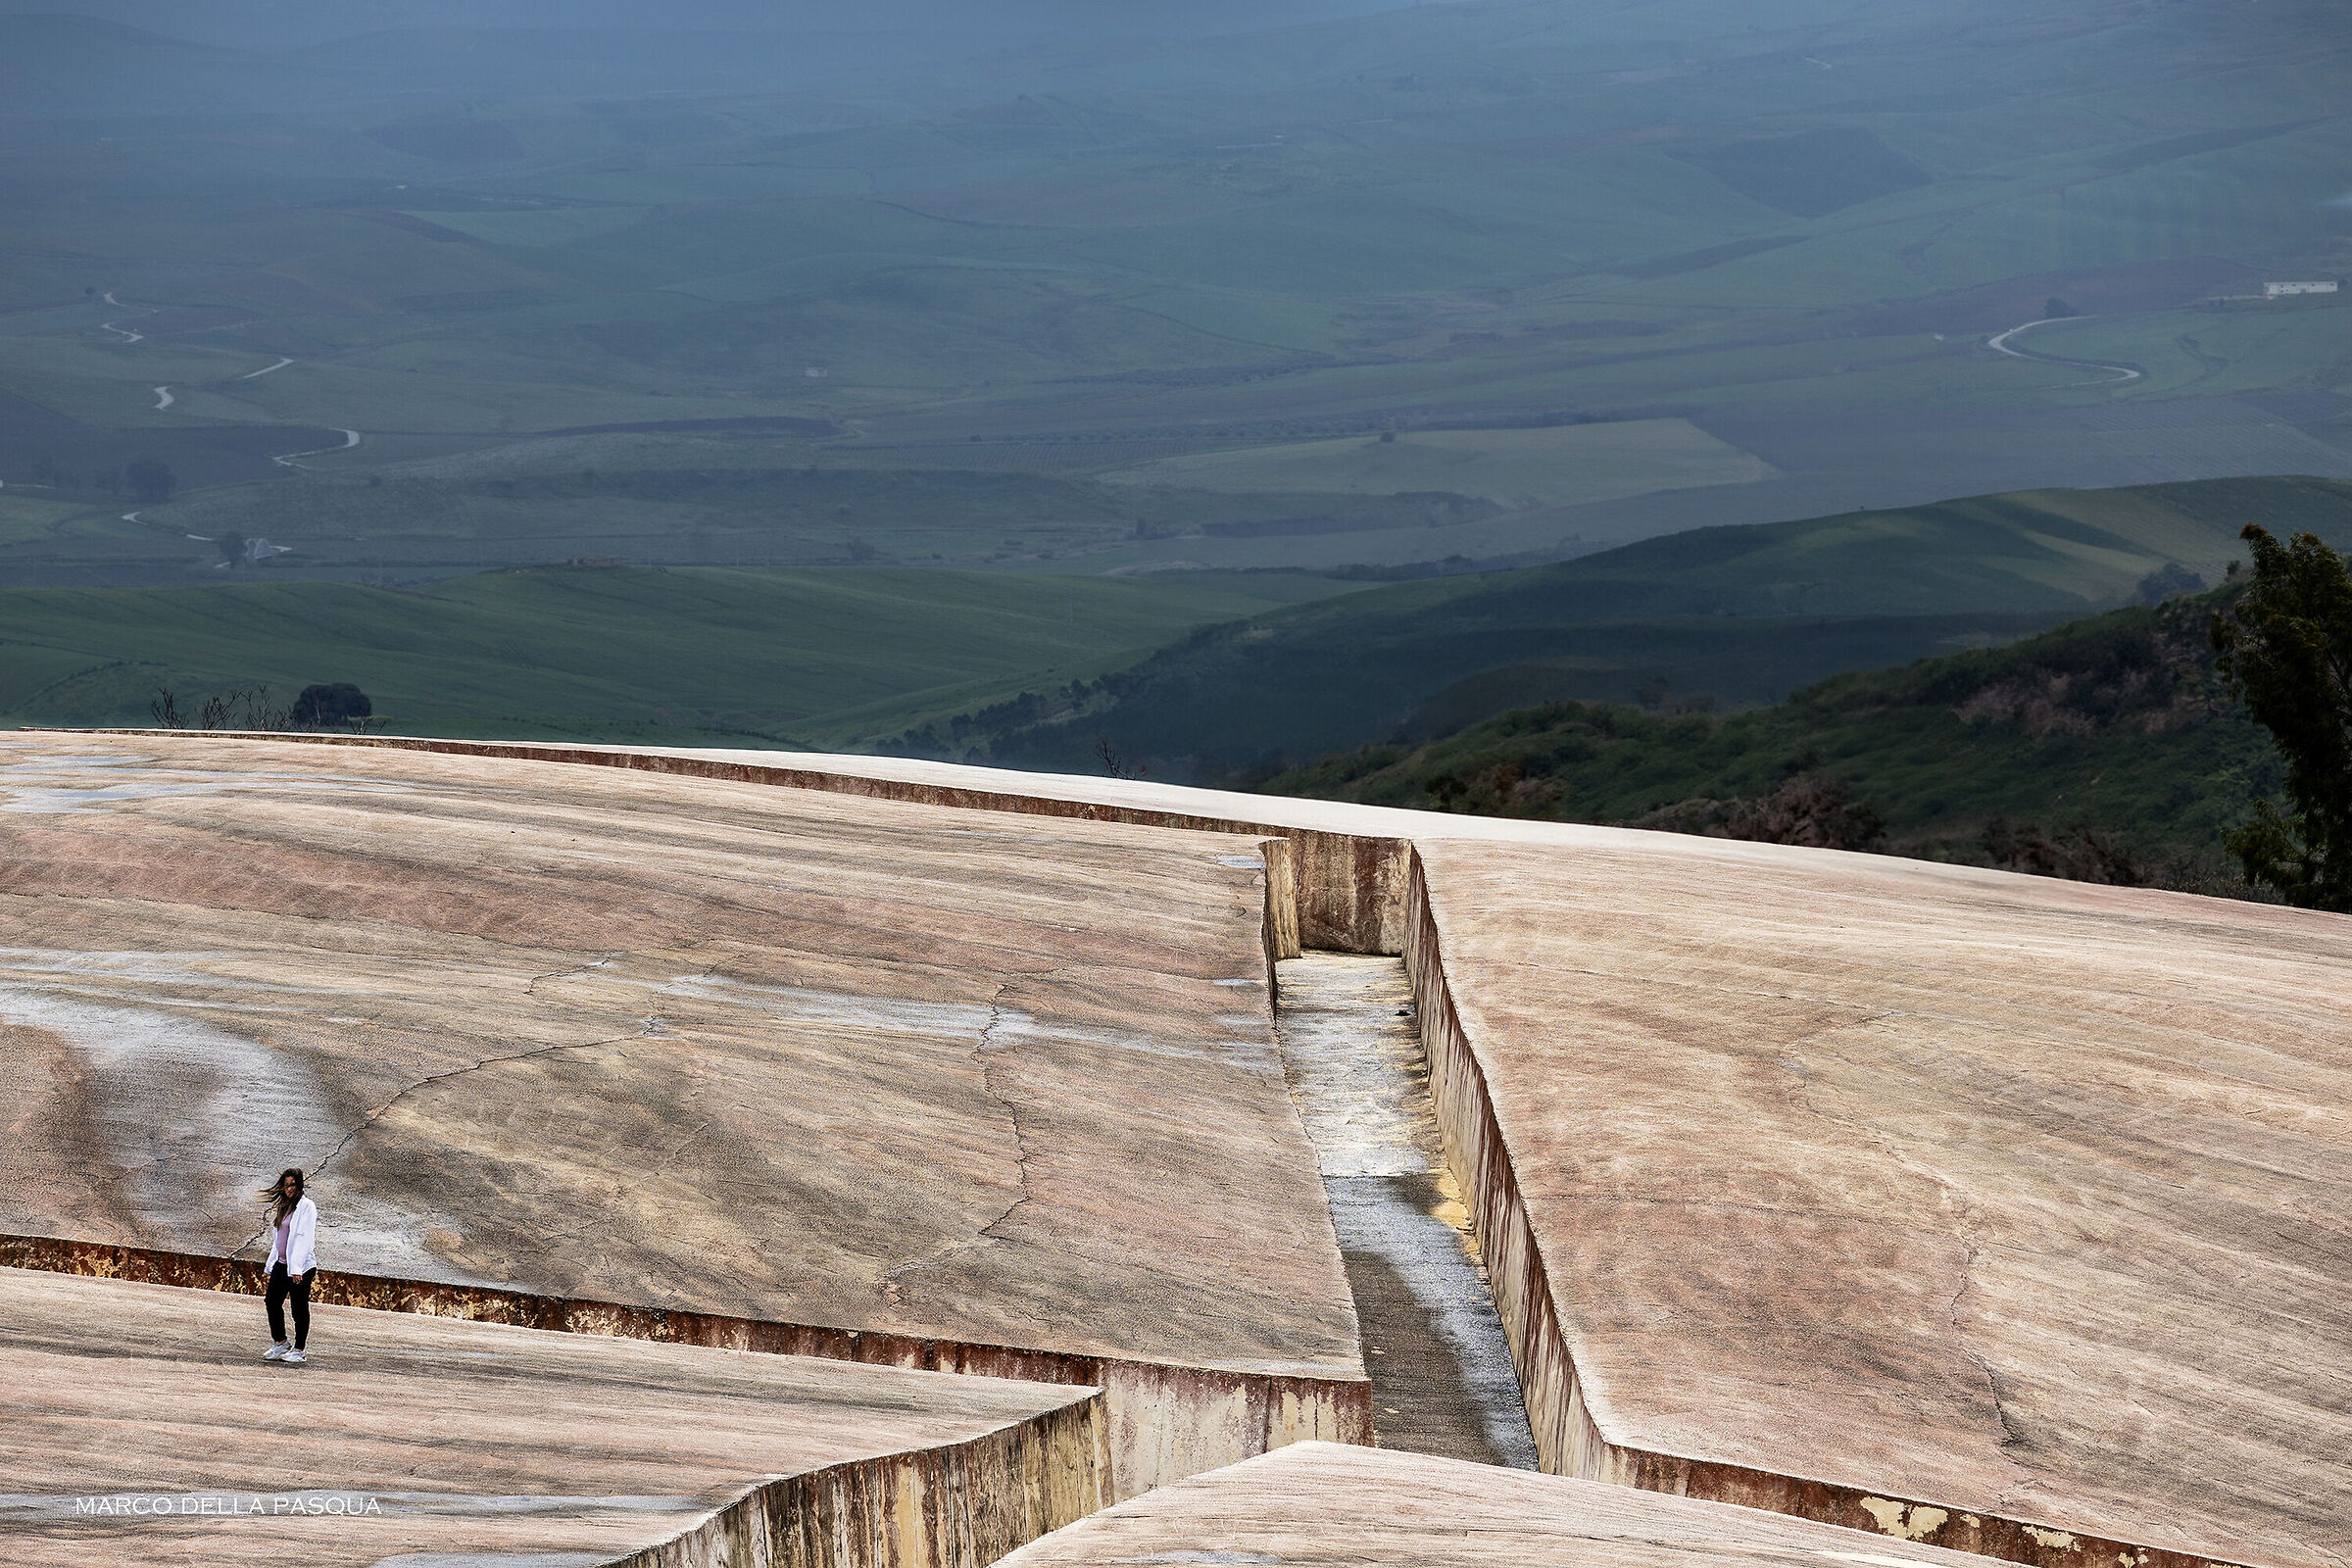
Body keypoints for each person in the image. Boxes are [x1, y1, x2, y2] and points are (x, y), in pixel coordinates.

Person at [260, 1168, 317, 1365]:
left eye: (292, 1185)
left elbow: (303, 1238)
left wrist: (297, 1269)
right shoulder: (284, 1206)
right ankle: (281, 1342)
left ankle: (299, 1350)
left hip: (301, 1268)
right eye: (286, 1185)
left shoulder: (307, 1206)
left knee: (298, 1308)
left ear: (299, 1185)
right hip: (282, 1264)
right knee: (271, 1301)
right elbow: (279, 1238)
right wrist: (271, 1263)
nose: (289, 1189)